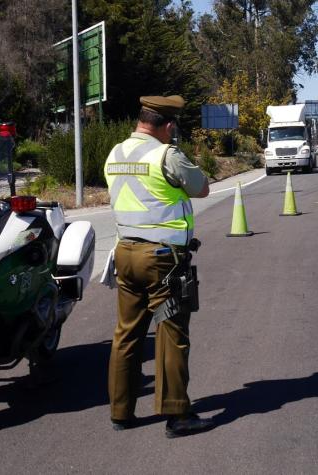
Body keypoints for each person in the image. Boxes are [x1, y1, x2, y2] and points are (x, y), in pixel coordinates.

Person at [104, 95, 213, 438]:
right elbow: (202, 188)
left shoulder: (115, 153)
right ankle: (177, 415)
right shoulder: (166, 154)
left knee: (126, 333)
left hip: (125, 253)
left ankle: (121, 412)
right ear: (167, 125)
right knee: (171, 334)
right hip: (162, 260)